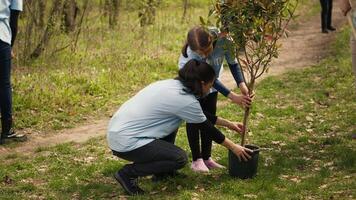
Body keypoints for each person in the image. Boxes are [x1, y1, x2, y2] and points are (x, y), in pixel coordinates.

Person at [107, 60, 252, 195]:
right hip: (127, 141)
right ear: (202, 83)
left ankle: (163, 172)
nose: (211, 88)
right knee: (179, 158)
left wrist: (229, 124)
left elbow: (200, 116)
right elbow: (207, 128)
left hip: (118, 132)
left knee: (173, 123)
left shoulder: (172, 85)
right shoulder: (184, 100)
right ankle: (128, 173)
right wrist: (234, 147)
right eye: (211, 84)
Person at [178, 26, 252, 172]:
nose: (205, 56)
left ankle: (207, 158)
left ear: (212, 40)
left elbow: (233, 63)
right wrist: (232, 96)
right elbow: (206, 75)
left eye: (207, 50)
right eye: (201, 53)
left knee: (210, 114)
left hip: (210, 84)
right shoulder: (192, 53)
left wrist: (242, 85)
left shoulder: (226, 41)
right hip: (195, 83)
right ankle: (196, 160)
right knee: (195, 118)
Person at [0, 0, 26, 145]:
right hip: (1, 36)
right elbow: (14, 18)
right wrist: (10, 46)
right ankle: (6, 131)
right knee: (3, 85)